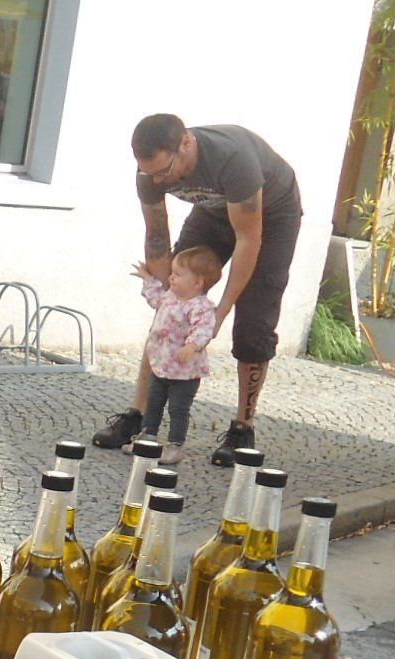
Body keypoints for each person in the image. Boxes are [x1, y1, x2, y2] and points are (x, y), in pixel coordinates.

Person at [97, 114, 303, 466]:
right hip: (212, 211)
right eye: (150, 173)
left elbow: (248, 240)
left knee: (254, 322)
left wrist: (219, 312)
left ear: (186, 143)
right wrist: (167, 300)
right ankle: (139, 416)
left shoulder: (233, 158)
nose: (158, 180)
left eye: (165, 171)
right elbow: (157, 233)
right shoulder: (150, 173)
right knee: (171, 312)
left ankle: (243, 428)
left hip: (271, 216)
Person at [129, 246, 221, 465]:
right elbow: (155, 299)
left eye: (178, 274)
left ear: (197, 282)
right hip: (161, 364)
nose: (171, 278)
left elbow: (204, 330)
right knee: (154, 402)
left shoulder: (201, 307)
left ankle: (175, 444)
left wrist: (192, 346)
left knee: (178, 409)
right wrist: (147, 279)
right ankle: (148, 435)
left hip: (185, 373)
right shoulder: (171, 297)